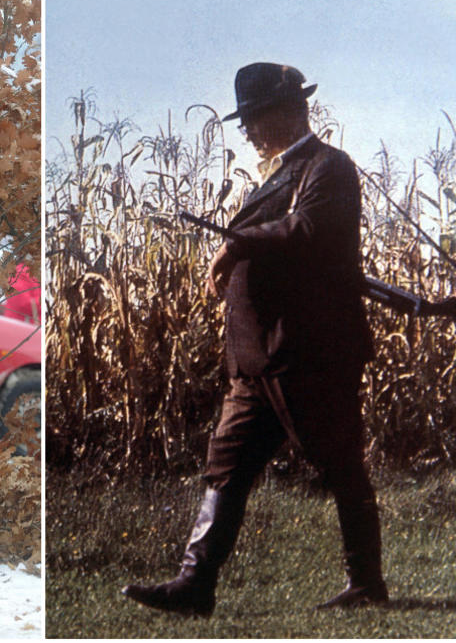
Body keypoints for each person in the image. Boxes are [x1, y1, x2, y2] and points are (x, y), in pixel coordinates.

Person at [122, 63, 387, 616]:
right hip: (257, 357)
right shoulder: (277, 178)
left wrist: (238, 244)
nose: (247, 132)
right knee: (227, 465)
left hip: (307, 353)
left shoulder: (328, 168)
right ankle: (194, 585)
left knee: (339, 463)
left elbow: (308, 230)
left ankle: (366, 584)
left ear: (289, 113)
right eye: (245, 122)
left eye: (254, 119)